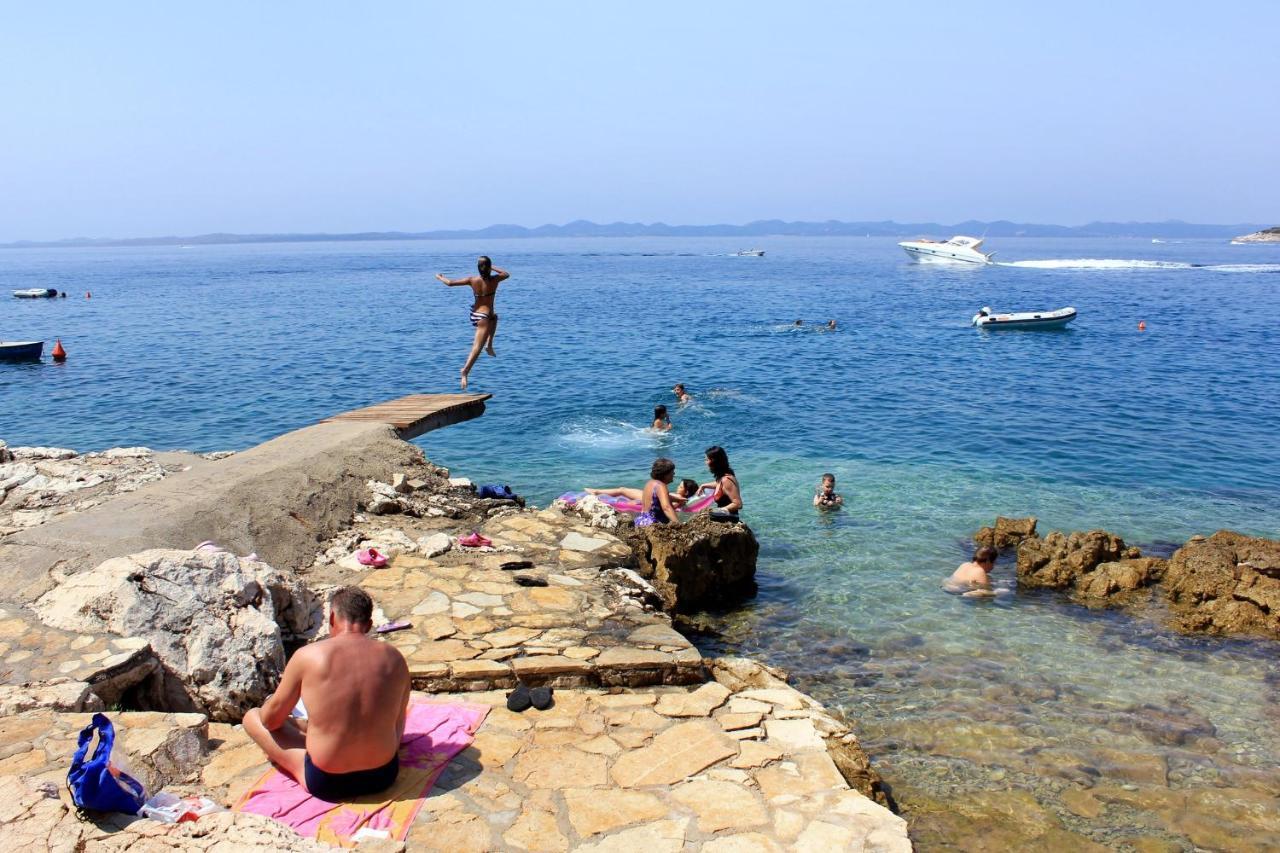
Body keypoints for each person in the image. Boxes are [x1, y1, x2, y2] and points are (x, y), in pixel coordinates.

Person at [243, 587, 411, 801]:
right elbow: (398, 723)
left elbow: (270, 721)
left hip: (327, 781)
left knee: (253, 717)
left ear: (332, 618)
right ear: (368, 625)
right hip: (383, 775)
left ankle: (310, 744)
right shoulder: (395, 658)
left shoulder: (308, 656)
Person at [436, 256, 509, 389]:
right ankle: (465, 371)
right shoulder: (495, 279)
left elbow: (450, 283)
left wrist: (440, 277)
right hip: (484, 317)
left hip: (477, 314)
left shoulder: (472, 280)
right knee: (476, 347)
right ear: (489, 267)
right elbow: (506, 274)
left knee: (495, 317)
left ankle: (489, 345)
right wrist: (492, 267)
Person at [586, 478, 699, 508]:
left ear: (686, 491)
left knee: (622, 490)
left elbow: (666, 503)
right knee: (622, 491)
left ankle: (596, 492)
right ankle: (597, 492)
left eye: (680, 486)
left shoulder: (679, 498)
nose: (678, 487)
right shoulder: (680, 498)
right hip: (646, 496)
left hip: (645, 497)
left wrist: (640, 503)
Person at [635, 457, 682, 526]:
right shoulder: (661, 486)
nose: (674, 474)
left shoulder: (649, 483)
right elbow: (666, 508)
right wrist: (680, 525)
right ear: (665, 474)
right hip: (653, 524)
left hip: (641, 521)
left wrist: (677, 499)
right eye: (672, 472)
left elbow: (657, 498)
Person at [700, 445, 742, 520]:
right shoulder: (723, 477)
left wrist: (719, 510)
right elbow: (719, 485)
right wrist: (703, 485)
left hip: (730, 518)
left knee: (704, 516)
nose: (705, 462)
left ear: (714, 461)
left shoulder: (727, 480)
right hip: (725, 516)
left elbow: (738, 504)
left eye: (707, 460)